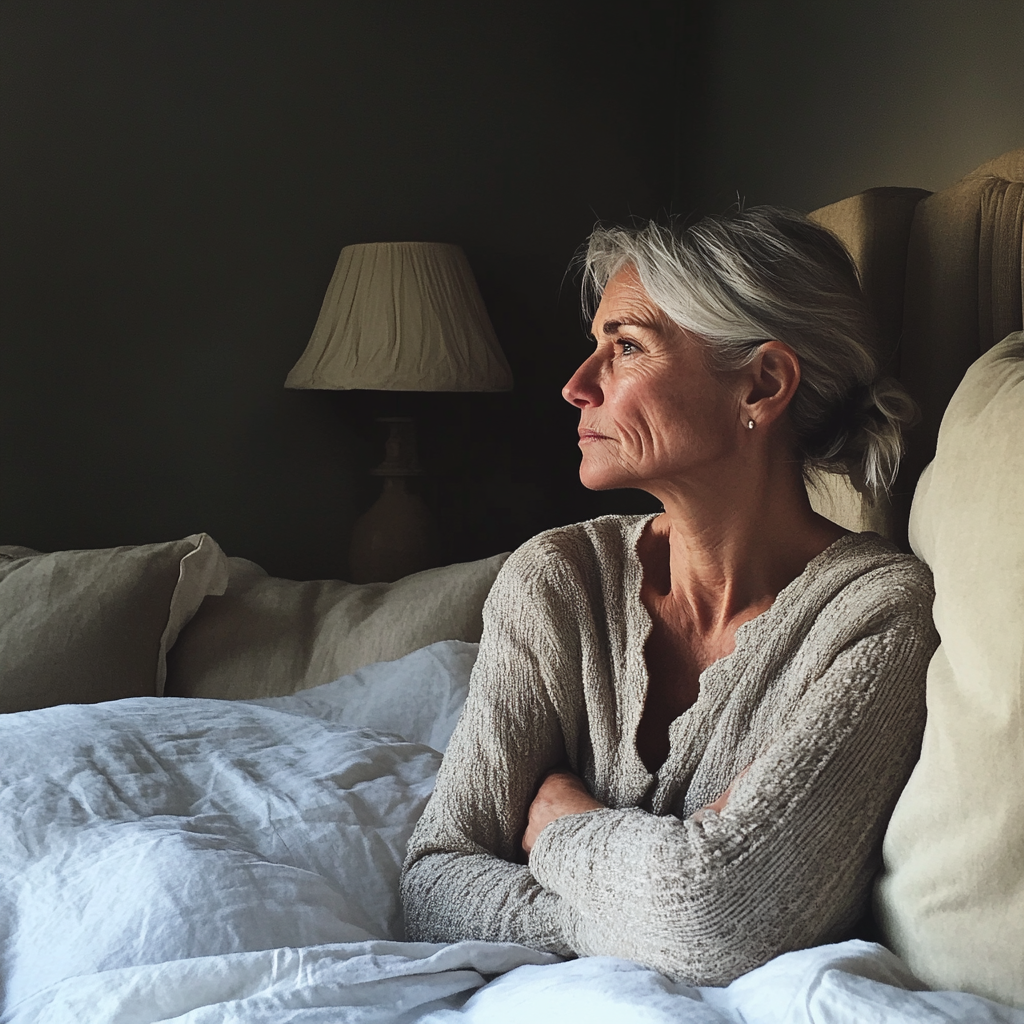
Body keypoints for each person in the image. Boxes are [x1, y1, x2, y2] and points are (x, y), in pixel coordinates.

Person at [400, 207, 938, 985]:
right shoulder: (559, 578)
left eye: (626, 346)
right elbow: (431, 884)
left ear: (762, 383)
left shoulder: (876, 616)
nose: (577, 385)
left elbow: (730, 919)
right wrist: (662, 891)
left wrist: (561, 828)